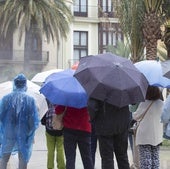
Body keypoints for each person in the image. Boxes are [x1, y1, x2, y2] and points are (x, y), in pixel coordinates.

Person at [0, 73, 39, 169]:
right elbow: (33, 120)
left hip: (9, 132)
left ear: (15, 84)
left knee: (4, 157)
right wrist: (30, 132)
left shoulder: (5, 99)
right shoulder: (30, 100)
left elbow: (1, 116)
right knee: (23, 158)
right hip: (24, 133)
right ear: (25, 84)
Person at [88, 98, 130, 169]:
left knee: (107, 158)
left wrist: (92, 120)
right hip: (122, 124)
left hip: (104, 125)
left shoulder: (99, 88)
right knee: (122, 156)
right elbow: (133, 101)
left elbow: (92, 107)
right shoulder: (124, 87)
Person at [133, 86, 163, 169]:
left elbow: (135, 116)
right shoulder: (161, 103)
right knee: (155, 158)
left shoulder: (144, 103)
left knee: (145, 160)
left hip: (144, 135)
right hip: (156, 135)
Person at [41, 100, 65, 169]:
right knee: (60, 149)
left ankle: (50, 167)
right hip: (60, 131)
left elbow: (43, 119)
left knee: (50, 150)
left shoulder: (47, 102)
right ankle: (61, 166)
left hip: (49, 131)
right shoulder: (62, 102)